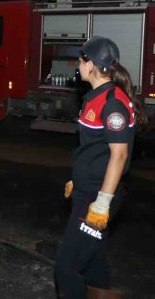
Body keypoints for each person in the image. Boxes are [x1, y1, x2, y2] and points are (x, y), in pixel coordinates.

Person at [55, 36, 147, 299]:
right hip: (88, 192)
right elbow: (94, 150)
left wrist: (103, 203)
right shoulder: (94, 98)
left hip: (97, 199)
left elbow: (119, 156)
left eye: (81, 59)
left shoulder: (112, 103)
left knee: (66, 268)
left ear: (92, 65)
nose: (78, 64)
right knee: (94, 265)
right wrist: (78, 179)